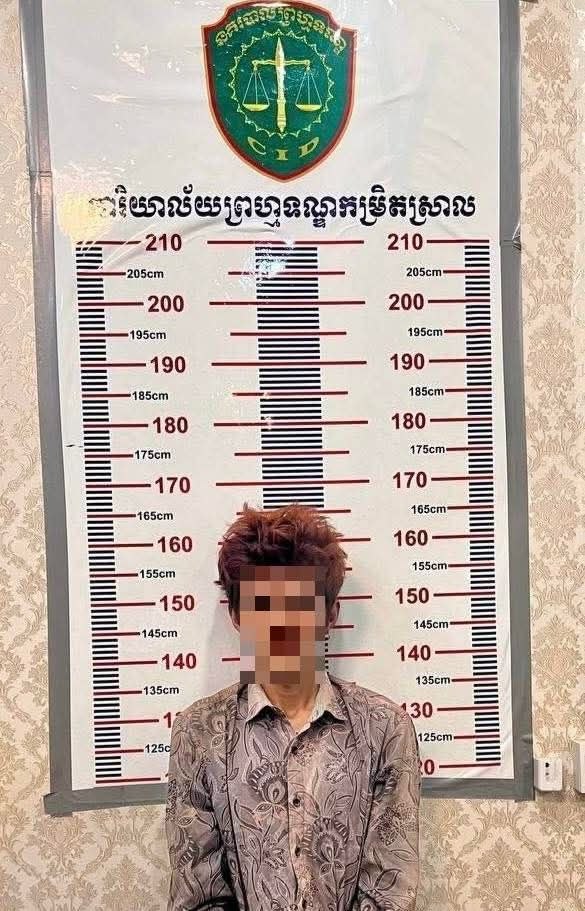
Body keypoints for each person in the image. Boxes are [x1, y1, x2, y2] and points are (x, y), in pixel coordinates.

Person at [165, 503, 421, 911]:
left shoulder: (385, 728)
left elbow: (388, 889)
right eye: (263, 606)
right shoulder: (198, 732)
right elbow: (198, 894)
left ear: (330, 615)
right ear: (237, 616)